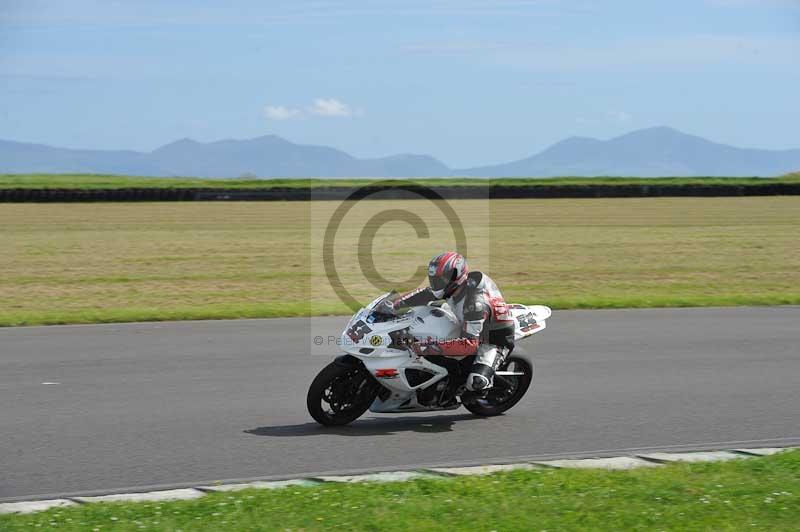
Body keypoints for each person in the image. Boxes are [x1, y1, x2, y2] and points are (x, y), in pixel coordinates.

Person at [386, 252, 515, 393]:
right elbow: (426, 294)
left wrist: (423, 347)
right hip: (468, 323)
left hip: (493, 338)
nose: (436, 284)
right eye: (434, 279)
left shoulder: (474, 304)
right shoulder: (455, 287)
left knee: (476, 382)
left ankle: (487, 388)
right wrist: (394, 305)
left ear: (455, 277)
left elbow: (469, 345)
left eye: (441, 280)